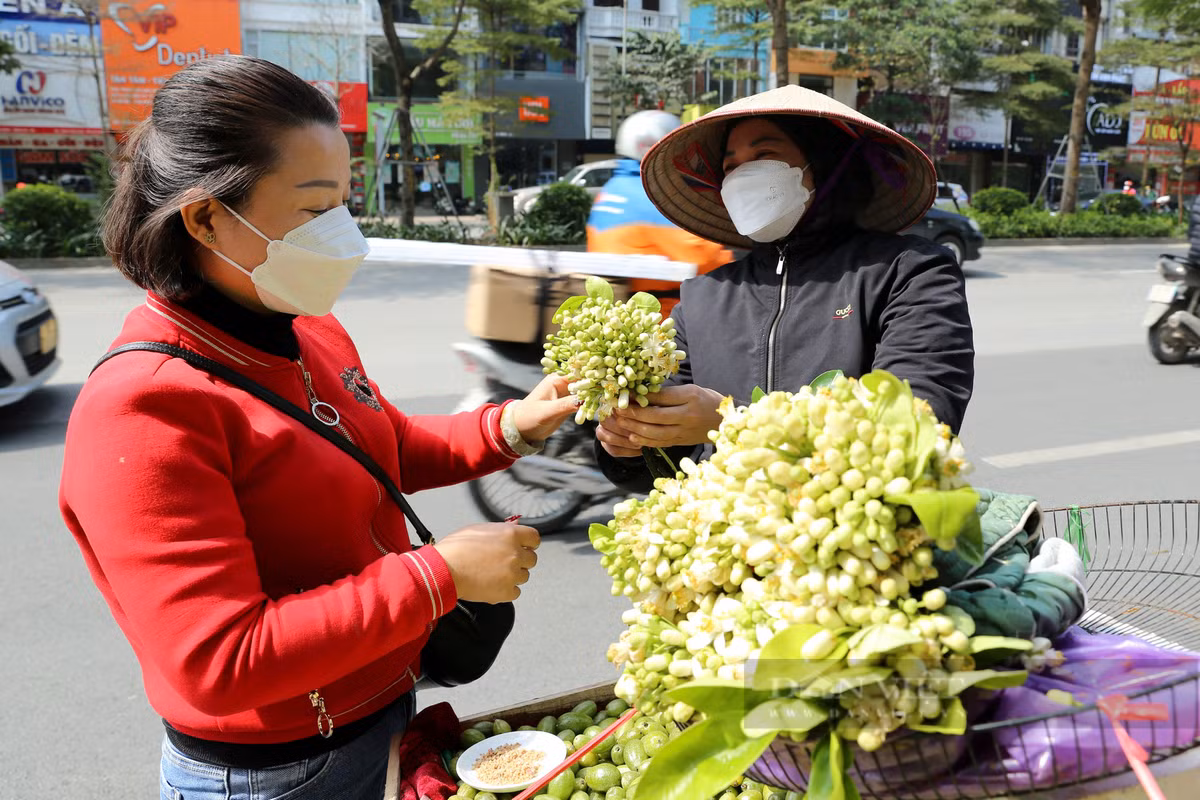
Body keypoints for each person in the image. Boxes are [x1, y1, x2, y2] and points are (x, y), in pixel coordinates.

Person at [58, 56, 581, 800]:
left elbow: (384, 447)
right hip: (275, 773)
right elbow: (217, 661)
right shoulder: (145, 407)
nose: (343, 234)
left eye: (343, 202)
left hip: (383, 715)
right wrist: (436, 577)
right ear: (206, 218)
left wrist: (511, 427)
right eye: (313, 211)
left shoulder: (308, 331)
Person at [595, 85, 975, 490]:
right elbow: (673, 459)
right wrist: (631, 440)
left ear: (826, 167)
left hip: (855, 539)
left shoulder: (909, 272)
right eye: (731, 166)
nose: (743, 176)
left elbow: (918, 423)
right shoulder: (702, 297)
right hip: (728, 539)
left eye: (763, 155)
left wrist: (735, 422)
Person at [587, 109, 733, 315]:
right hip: (662, 319)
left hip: (622, 315)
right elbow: (705, 259)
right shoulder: (654, 196)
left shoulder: (612, 189)